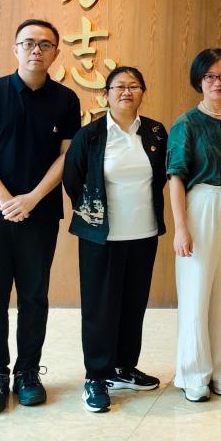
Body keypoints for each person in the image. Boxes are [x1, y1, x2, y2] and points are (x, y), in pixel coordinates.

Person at [0, 19, 81, 414]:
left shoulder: (66, 100)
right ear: (15, 49)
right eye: (28, 43)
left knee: (33, 297)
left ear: (56, 53)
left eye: (45, 44)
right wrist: (6, 199)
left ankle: (27, 373)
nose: (36, 50)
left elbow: (67, 157)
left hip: (39, 214)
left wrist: (31, 198)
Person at [62, 66, 167, 413]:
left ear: (143, 92)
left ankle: (123, 367)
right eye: (119, 86)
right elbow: (73, 178)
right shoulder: (90, 135)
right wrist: (93, 214)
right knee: (99, 307)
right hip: (101, 236)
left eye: (134, 86)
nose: (126, 92)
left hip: (144, 233)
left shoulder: (154, 131)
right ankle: (96, 376)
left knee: (133, 304)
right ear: (106, 94)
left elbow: (161, 177)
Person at [167, 48, 221, 402]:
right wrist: (181, 227)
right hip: (200, 203)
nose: (217, 82)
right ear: (199, 81)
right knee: (197, 288)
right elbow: (175, 176)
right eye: (210, 77)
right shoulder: (187, 123)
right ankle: (193, 373)